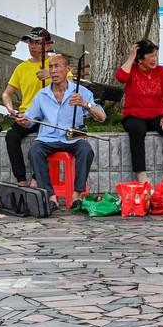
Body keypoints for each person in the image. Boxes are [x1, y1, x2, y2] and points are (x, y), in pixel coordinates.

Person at [16, 52, 106, 212]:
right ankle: (51, 198)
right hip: (47, 138)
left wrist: (86, 105)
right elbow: (29, 120)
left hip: (72, 138)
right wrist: (23, 120)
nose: (53, 71)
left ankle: (76, 196)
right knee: (34, 152)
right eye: (51, 67)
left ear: (68, 69)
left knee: (86, 150)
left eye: (57, 66)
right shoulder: (42, 95)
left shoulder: (81, 91)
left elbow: (102, 117)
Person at [115, 39, 163, 183]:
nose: (154, 59)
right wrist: (131, 56)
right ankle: (141, 175)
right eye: (150, 56)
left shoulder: (161, 71)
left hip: (156, 114)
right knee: (137, 129)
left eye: (155, 55)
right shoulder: (132, 70)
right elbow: (121, 77)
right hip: (134, 115)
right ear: (140, 58)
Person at [2, 27, 55, 187]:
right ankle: (21, 180)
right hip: (28, 114)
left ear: (47, 45)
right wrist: (11, 109)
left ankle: (36, 178)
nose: (32, 46)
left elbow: (70, 85)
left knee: (46, 140)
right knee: (11, 136)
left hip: (49, 115)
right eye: (30, 42)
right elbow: (6, 94)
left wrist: (51, 74)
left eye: (37, 43)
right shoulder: (22, 67)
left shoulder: (55, 63)